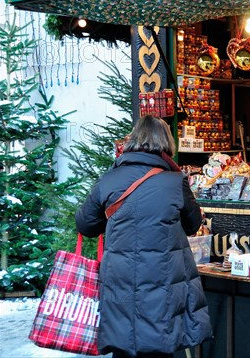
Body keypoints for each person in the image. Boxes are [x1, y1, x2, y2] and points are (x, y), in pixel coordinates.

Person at [76, 115, 213, 358]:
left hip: (120, 280)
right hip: (164, 280)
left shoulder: (108, 179)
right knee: (161, 344)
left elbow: (86, 225)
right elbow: (193, 225)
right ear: (166, 143)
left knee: (123, 343)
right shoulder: (175, 181)